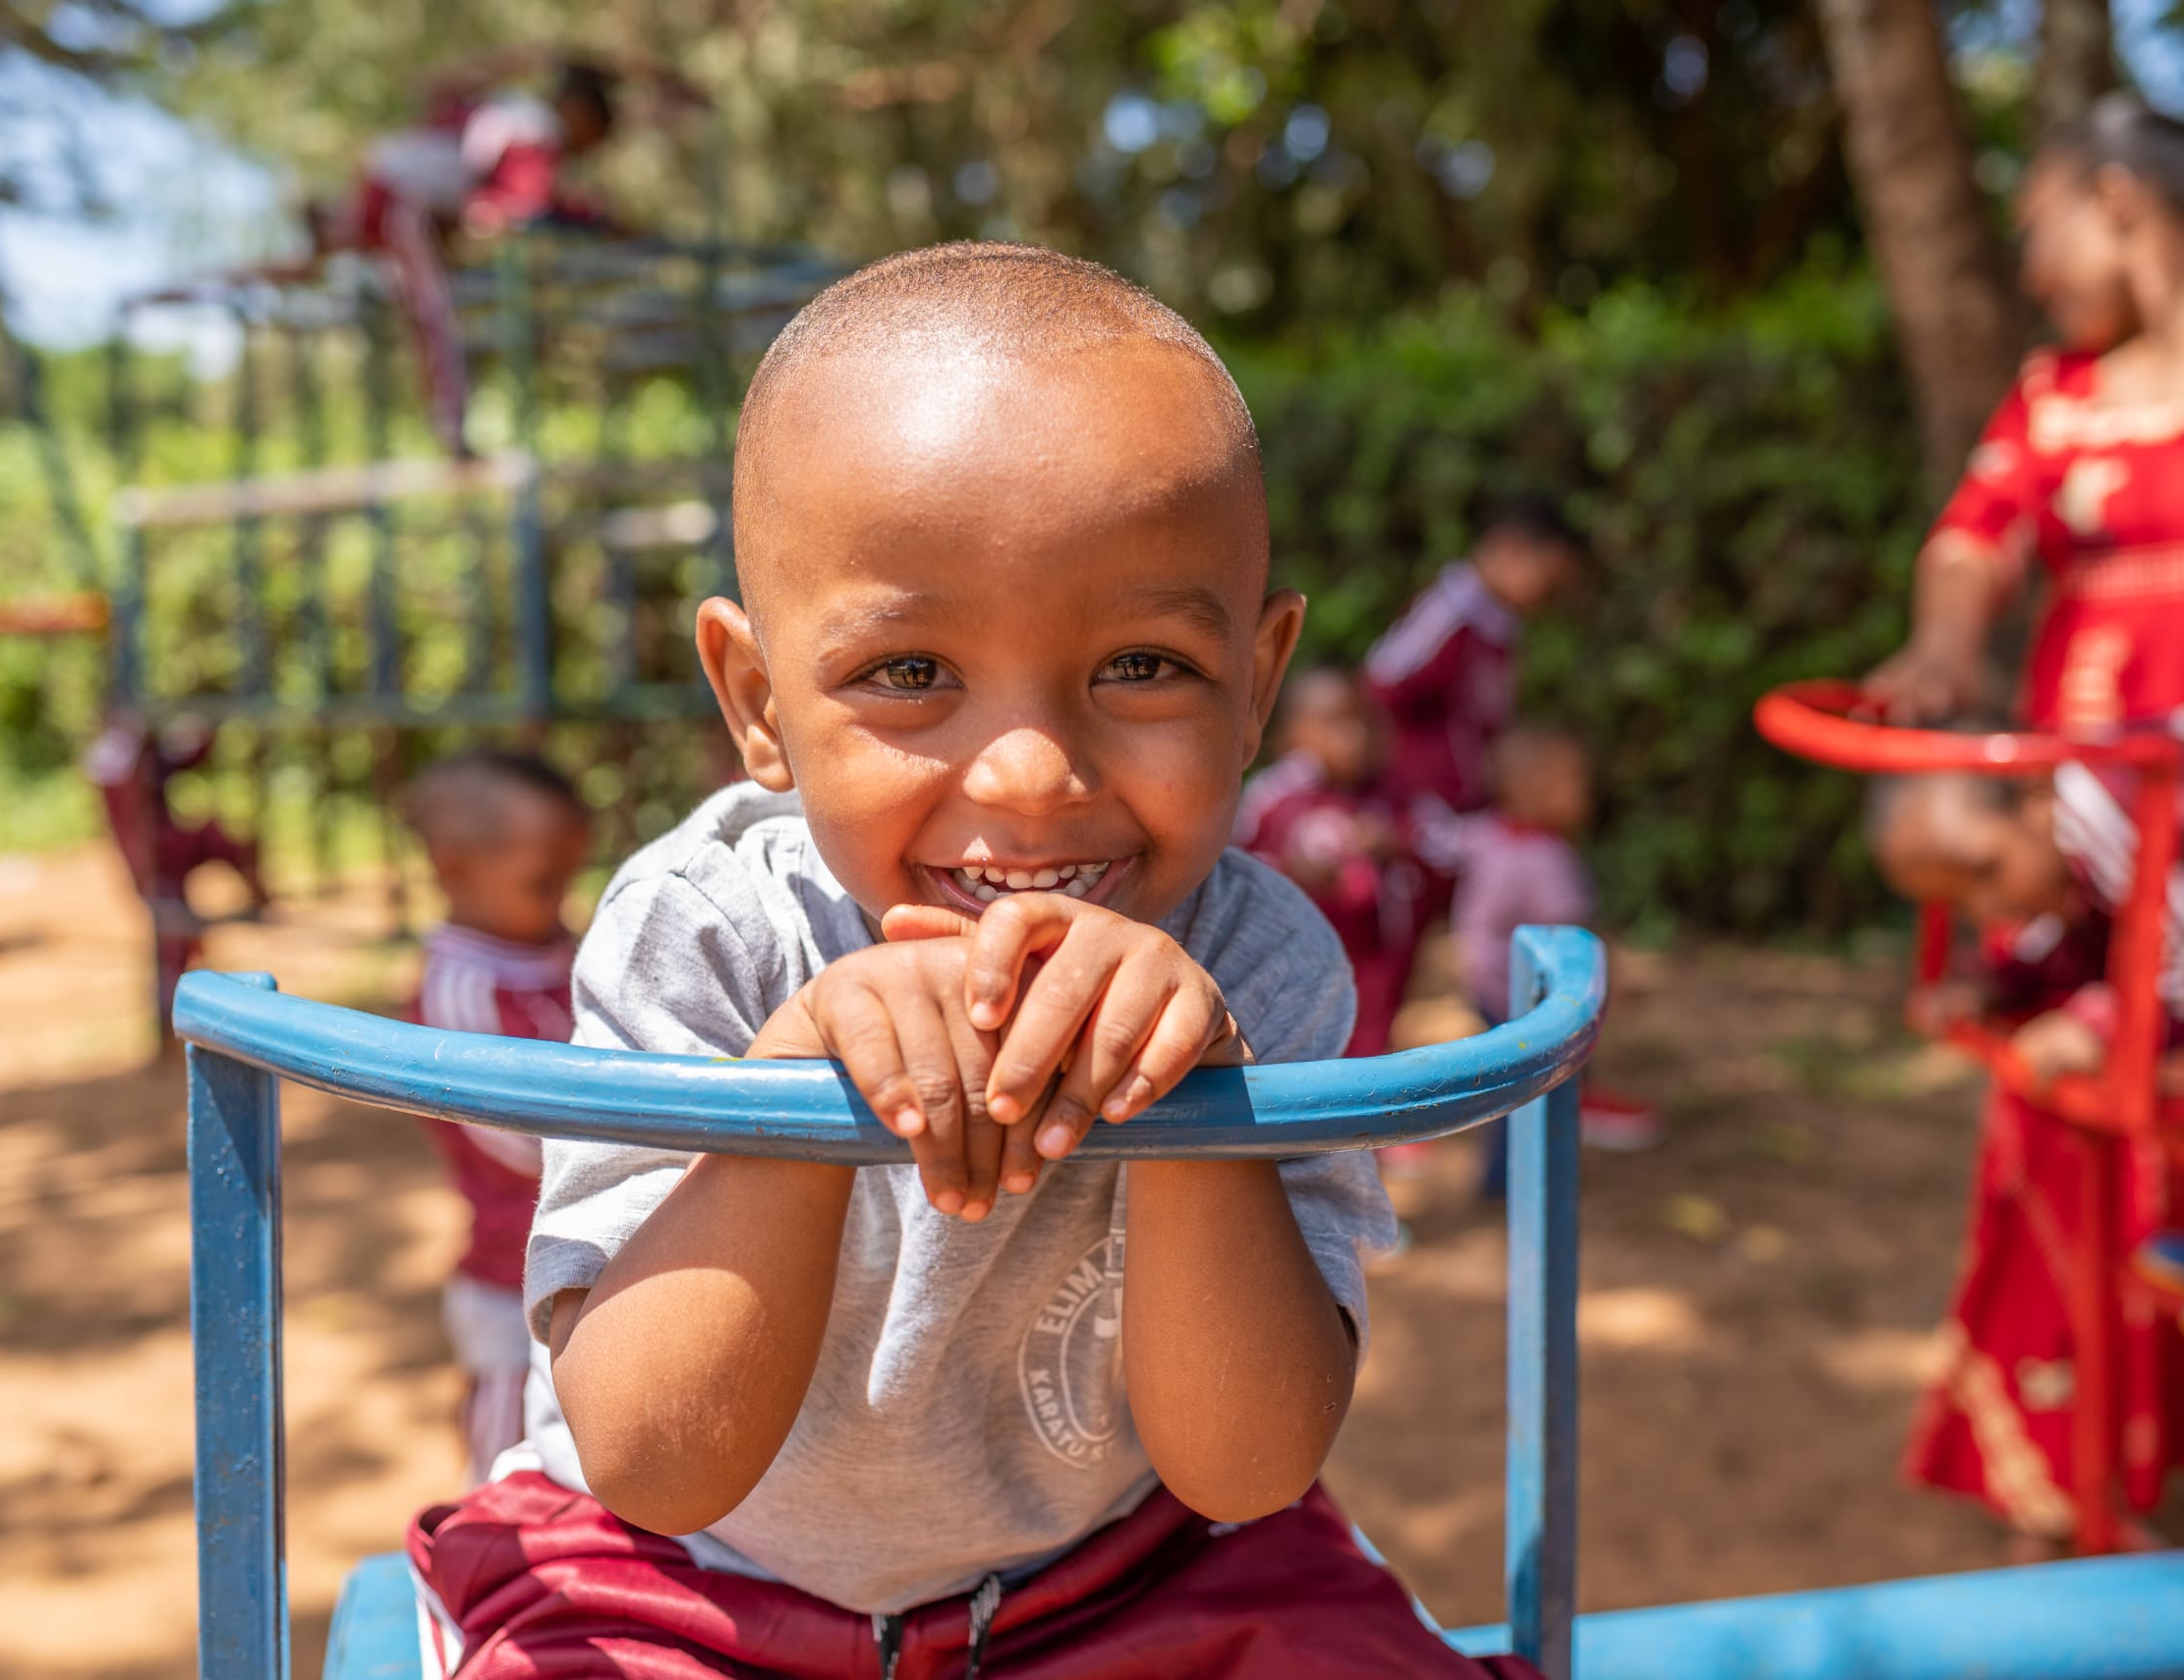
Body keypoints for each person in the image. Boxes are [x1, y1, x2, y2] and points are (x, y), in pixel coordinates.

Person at [405, 243, 1533, 1680]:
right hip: (673, 1587)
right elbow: (655, 1462)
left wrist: (1198, 1093)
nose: (1027, 771)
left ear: (1256, 685)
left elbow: (1244, 1467)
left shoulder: (1257, 953)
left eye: (1141, 667)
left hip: (1126, 1575)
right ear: (757, 701)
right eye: (908, 673)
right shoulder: (707, 929)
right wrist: (801, 1074)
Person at [1860, 92, 2184, 1550]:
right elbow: (1972, 542)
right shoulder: (2057, 393)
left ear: (2114, 201)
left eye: (2036, 230)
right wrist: (1947, 648)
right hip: (2085, 851)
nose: (2030, 272)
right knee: (2076, 1112)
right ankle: (2088, 1505)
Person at [1869, 690, 2184, 1515]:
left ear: (2037, 796)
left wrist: (2102, 1023)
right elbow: (2094, 932)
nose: (1988, 909)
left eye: (1984, 874)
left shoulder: (2155, 808)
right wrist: (1998, 982)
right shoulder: (2086, 813)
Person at [404, 747, 592, 1485]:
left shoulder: (556, 951)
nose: (564, 896)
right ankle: (485, 1552)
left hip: (591, 1260)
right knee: (508, 1440)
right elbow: (512, 1139)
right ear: (455, 869)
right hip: (511, 1276)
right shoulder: (460, 987)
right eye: (543, 880)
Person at [336, 57, 624, 456]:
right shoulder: (537, 129)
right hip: (399, 202)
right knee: (434, 317)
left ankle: (452, 431)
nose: (584, 148)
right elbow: (516, 207)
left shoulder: (512, 113)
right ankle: (454, 437)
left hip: (393, 195)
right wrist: (590, 218)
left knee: (429, 315)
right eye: (591, 134)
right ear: (577, 111)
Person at [1455, 724, 1658, 1160]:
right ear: (1535, 789)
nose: (1587, 795)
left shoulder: (1487, 832)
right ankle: (1531, 1166)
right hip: (1527, 993)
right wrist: (1611, 982)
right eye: (1576, 783)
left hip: (1482, 980)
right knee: (1537, 1087)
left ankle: (1502, 1176)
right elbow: (1576, 932)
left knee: (1507, 1086)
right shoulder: (1549, 860)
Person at [1236, 667, 1443, 1060]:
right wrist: (1291, 870)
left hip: (1377, 964)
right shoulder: (1274, 797)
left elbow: (1445, 850)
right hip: (1297, 963)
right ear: (1293, 733)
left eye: (1364, 724)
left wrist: (1395, 842)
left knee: (1369, 1053)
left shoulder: (1396, 793)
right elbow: (1236, 867)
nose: (1355, 739)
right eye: (1335, 724)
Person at [1366, 492, 1587, 815]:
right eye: (1550, 583)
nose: (1551, 600)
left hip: (1463, 814)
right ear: (1510, 548)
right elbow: (1380, 687)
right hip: (1413, 810)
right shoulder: (1449, 616)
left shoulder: (1501, 630)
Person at [84, 711, 267, 1026]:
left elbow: (182, 759)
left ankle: (180, 996)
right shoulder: (119, 757)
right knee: (172, 933)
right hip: (153, 860)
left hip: (163, 853)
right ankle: (174, 1004)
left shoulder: (138, 752)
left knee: (218, 845)